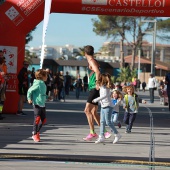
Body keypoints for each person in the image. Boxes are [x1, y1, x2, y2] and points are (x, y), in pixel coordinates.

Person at [83, 45, 111, 141]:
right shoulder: (92, 61)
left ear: (85, 53)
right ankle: (105, 132)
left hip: (94, 88)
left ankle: (92, 133)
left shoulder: (91, 61)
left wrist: (96, 84)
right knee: (93, 112)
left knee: (87, 110)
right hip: (94, 88)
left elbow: (98, 72)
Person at [92, 73, 121, 144]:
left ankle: (117, 134)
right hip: (103, 106)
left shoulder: (105, 88)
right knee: (102, 121)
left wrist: (96, 100)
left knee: (108, 122)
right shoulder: (102, 87)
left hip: (108, 106)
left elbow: (104, 96)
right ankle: (101, 136)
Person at [27, 69, 48, 142]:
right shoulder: (38, 83)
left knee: (43, 120)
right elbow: (30, 90)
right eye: (46, 75)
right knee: (37, 118)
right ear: (42, 76)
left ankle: (37, 131)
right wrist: (29, 98)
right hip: (36, 103)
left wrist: (47, 97)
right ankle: (34, 133)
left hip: (42, 104)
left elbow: (42, 93)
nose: (47, 77)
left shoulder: (43, 83)